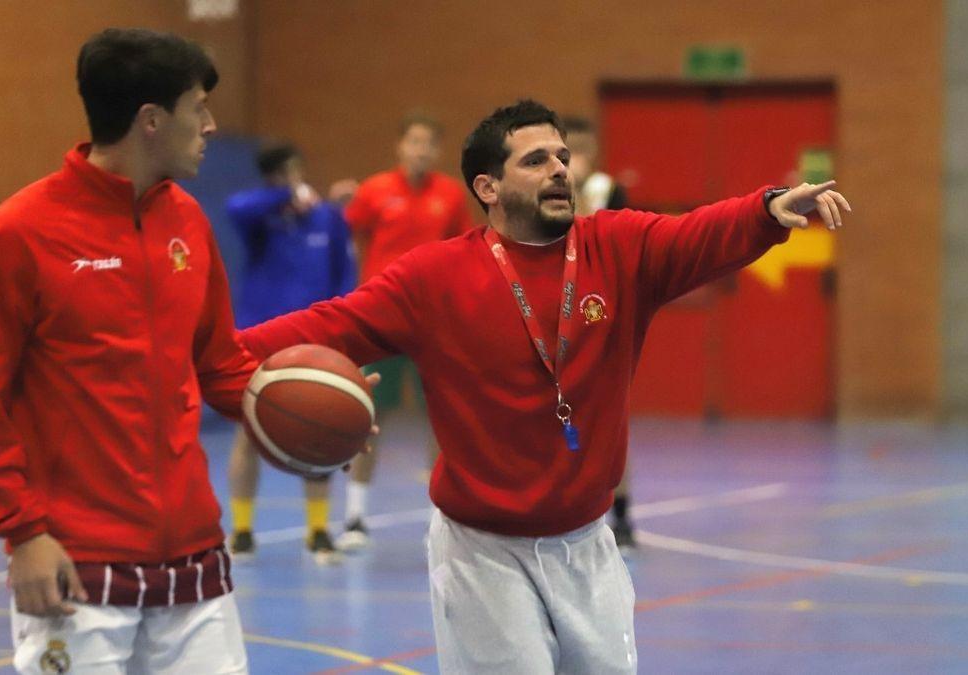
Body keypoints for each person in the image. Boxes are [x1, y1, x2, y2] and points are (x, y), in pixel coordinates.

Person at [240, 99, 850, 673]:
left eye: (562, 157)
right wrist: (213, 357)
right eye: (536, 161)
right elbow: (328, 325)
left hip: (588, 541)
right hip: (481, 551)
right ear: (488, 188)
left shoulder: (619, 245)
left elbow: (695, 233)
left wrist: (766, 209)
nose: (560, 169)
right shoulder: (434, 277)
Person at [0, 29, 260, 673]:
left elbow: (222, 364)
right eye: (197, 107)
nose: (210, 124)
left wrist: (296, 414)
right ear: (150, 120)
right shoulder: (20, 232)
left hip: (193, 561)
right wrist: (23, 532)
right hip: (71, 563)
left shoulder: (189, 223)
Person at [337, 111, 475, 550]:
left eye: (429, 144)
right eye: (414, 142)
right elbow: (354, 239)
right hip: (381, 320)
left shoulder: (450, 196)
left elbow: (462, 252)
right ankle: (355, 517)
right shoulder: (374, 191)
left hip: (434, 322)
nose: (421, 150)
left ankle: (444, 520)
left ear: (436, 151)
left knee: (442, 418)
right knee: (368, 415)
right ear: (400, 146)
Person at [224, 142, 358, 564]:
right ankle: (242, 530)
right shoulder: (260, 218)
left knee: (320, 433)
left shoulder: (327, 218)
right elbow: (236, 207)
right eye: (281, 175)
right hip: (258, 338)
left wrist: (344, 336)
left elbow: (345, 277)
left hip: (314, 341)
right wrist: (284, 197)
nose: (291, 180)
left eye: (294, 173)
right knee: (248, 433)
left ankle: (318, 530)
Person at [562, 115, 639, 552]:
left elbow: (623, 245)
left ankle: (623, 514)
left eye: (585, 147)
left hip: (601, 312)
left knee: (611, 415)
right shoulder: (546, 189)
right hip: (556, 314)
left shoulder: (609, 191)